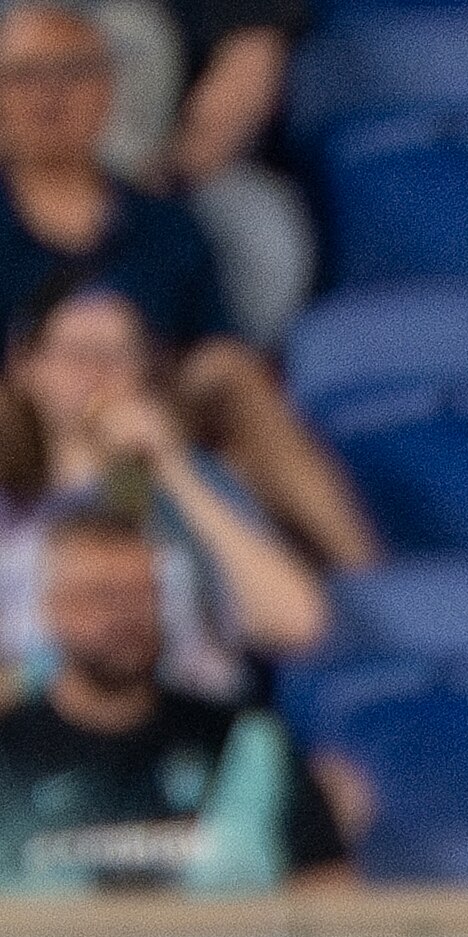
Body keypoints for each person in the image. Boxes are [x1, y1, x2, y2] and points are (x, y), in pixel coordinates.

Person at [0, 3, 373, 567]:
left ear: (108, 91)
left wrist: (129, 395)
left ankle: (367, 575)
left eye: (72, 72)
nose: (50, 94)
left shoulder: (166, 225)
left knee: (234, 374)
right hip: (21, 424)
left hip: (147, 410)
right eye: (26, 76)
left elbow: (214, 349)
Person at [0, 499, 348, 884]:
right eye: (103, 596)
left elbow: (328, 886)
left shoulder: (248, 742)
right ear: (52, 608)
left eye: (142, 594)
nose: (126, 615)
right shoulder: (9, 750)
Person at [0, 277, 325, 689]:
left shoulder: (190, 479)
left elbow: (297, 624)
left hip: (184, 711)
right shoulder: (8, 498)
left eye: (120, 353)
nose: (99, 371)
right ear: (26, 367)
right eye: (77, 352)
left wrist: (173, 469)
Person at [91, 0, 315, 349]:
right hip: (29, 173)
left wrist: (155, 183)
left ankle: (229, 358)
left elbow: (249, 66)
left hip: (177, 170)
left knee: (258, 229)